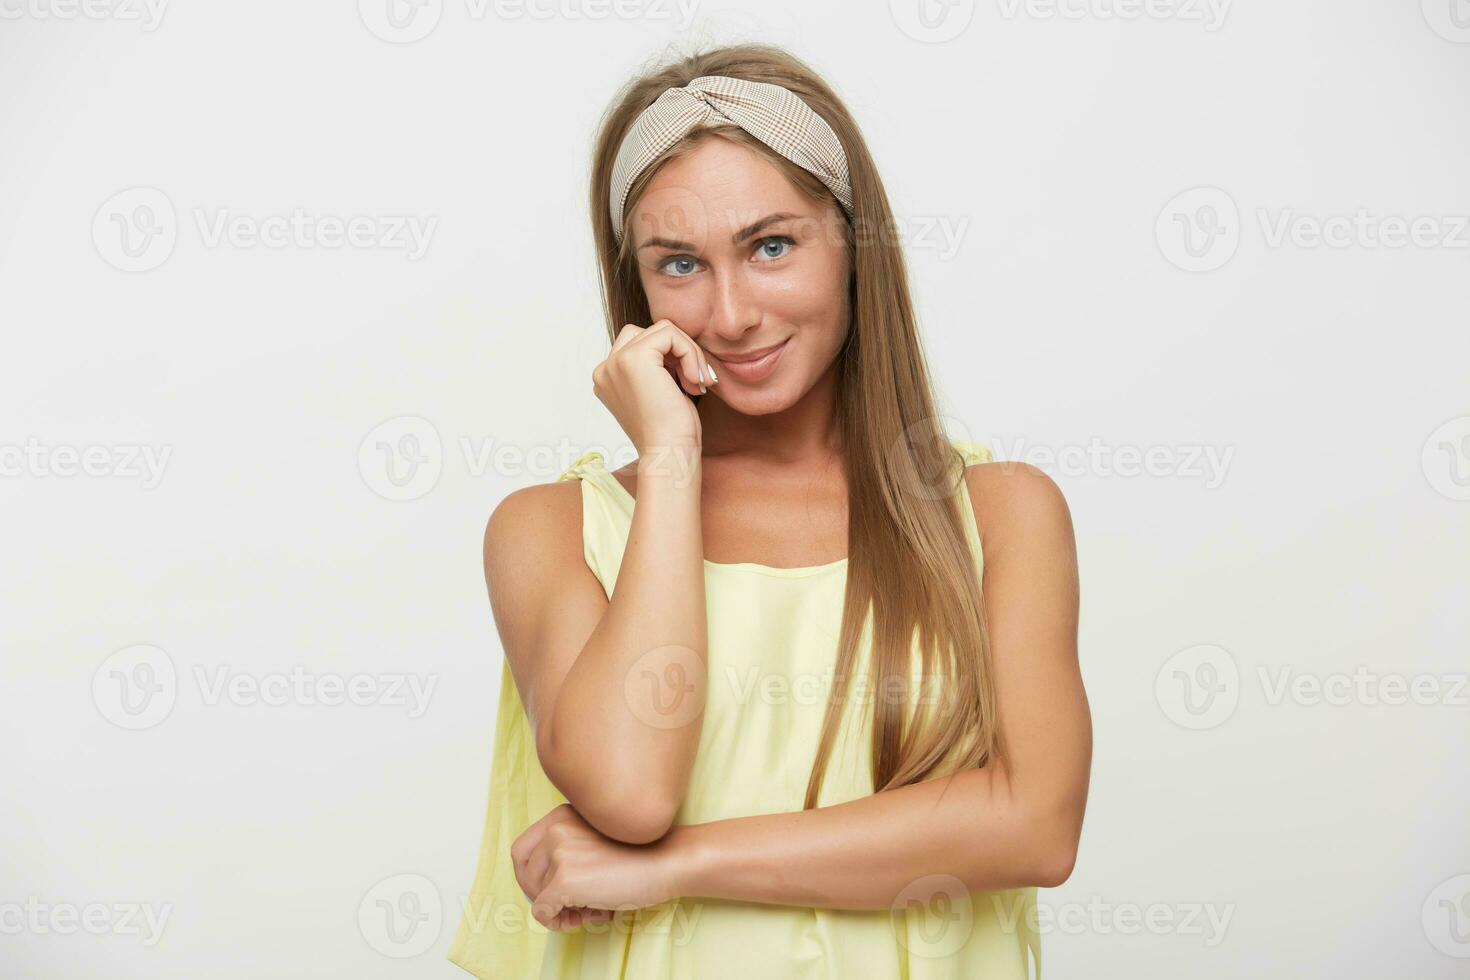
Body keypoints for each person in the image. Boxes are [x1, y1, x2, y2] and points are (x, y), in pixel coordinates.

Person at [449, 42, 1090, 980]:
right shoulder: (552, 531)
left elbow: (1034, 827)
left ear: (853, 244)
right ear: (637, 286)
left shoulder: (999, 516)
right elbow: (630, 790)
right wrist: (671, 459)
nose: (733, 312)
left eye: (772, 246)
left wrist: (679, 867)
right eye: (679, 265)